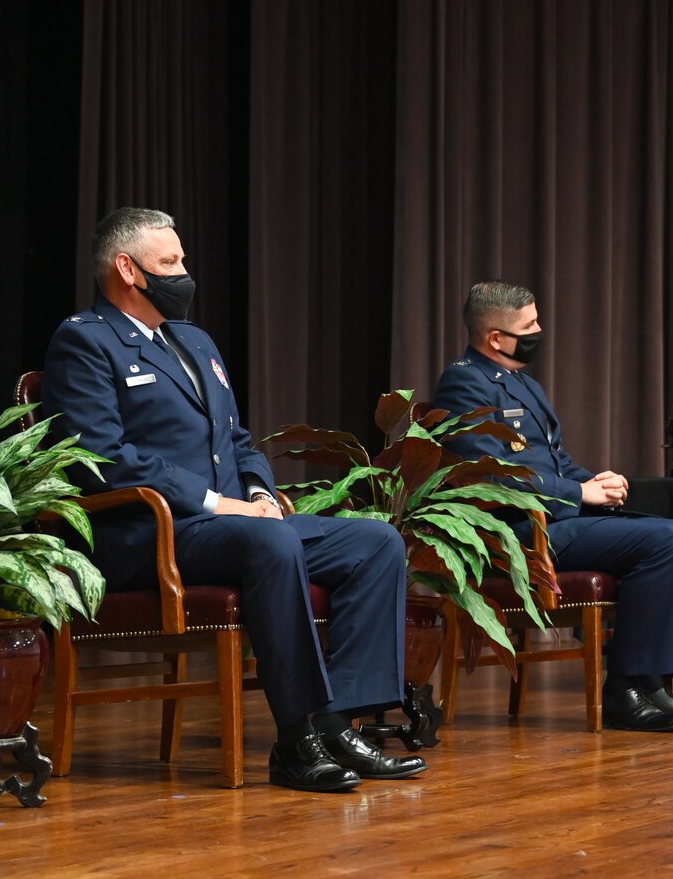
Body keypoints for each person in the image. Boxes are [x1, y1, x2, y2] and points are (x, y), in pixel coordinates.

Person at [41, 207, 420, 792]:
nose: (184, 272)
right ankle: (296, 741)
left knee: (376, 541)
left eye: (182, 260)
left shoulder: (193, 340)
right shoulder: (85, 341)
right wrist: (223, 504)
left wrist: (260, 491)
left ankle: (339, 722)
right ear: (127, 269)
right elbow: (102, 458)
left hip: (231, 527)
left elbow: (236, 439)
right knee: (267, 541)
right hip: (151, 533)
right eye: (170, 263)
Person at [432, 282, 673, 731]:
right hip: (519, 533)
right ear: (495, 337)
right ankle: (625, 691)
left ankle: (657, 686)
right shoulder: (464, 382)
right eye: (529, 325)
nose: (539, 330)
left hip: (562, 520)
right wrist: (579, 494)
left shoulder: (523, 383)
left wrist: (593, 480)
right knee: (664, 541)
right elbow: (491, 474)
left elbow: (556, 460)